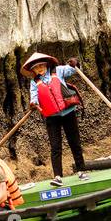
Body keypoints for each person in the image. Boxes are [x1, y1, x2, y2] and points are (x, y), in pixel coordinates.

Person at [22, 51, 89, 186]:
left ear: (46, 64)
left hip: (68, 112)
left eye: (41, 65)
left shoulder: (58, 71)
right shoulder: (34, 82)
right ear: (33, 70)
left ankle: (81, 170)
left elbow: (72, 70)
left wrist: (74, 63)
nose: (39, 68)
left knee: (74, 142)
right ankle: (57, 176)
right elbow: (34, 96)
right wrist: (33, 103)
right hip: (52, 117)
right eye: (36, 67)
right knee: (55, 146)